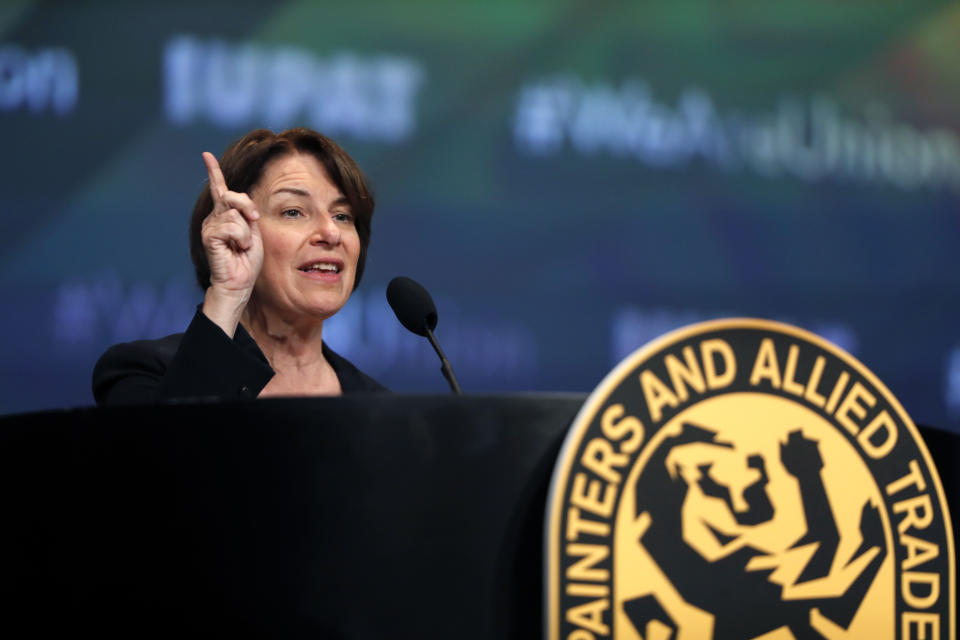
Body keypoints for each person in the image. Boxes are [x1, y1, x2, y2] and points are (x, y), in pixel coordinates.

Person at [92, 127, 386, 405]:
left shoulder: (381, 409)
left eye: (343, 216)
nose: (331, 233)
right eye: (293, 212)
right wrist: (229, 292)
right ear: (234, 232)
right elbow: (168, 454)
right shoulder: (144, 372)